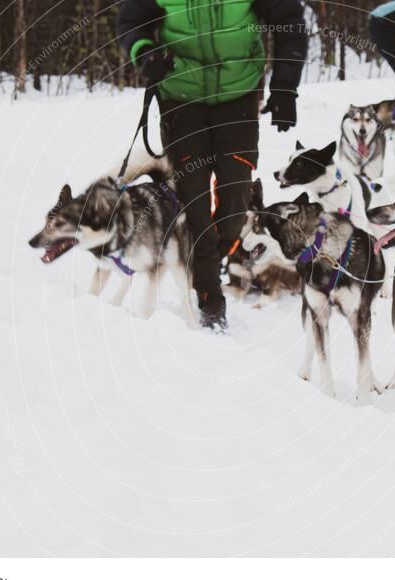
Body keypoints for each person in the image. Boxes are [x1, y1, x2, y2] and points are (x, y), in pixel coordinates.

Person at [116, 0, 307, 333]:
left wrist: (285, 86)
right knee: (195, 204)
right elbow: (132, 21)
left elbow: (289, 20)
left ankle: (200, 260)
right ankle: (210, 297)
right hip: (181, 98)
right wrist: (145, 51)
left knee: (235, 205)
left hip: (239, 94)